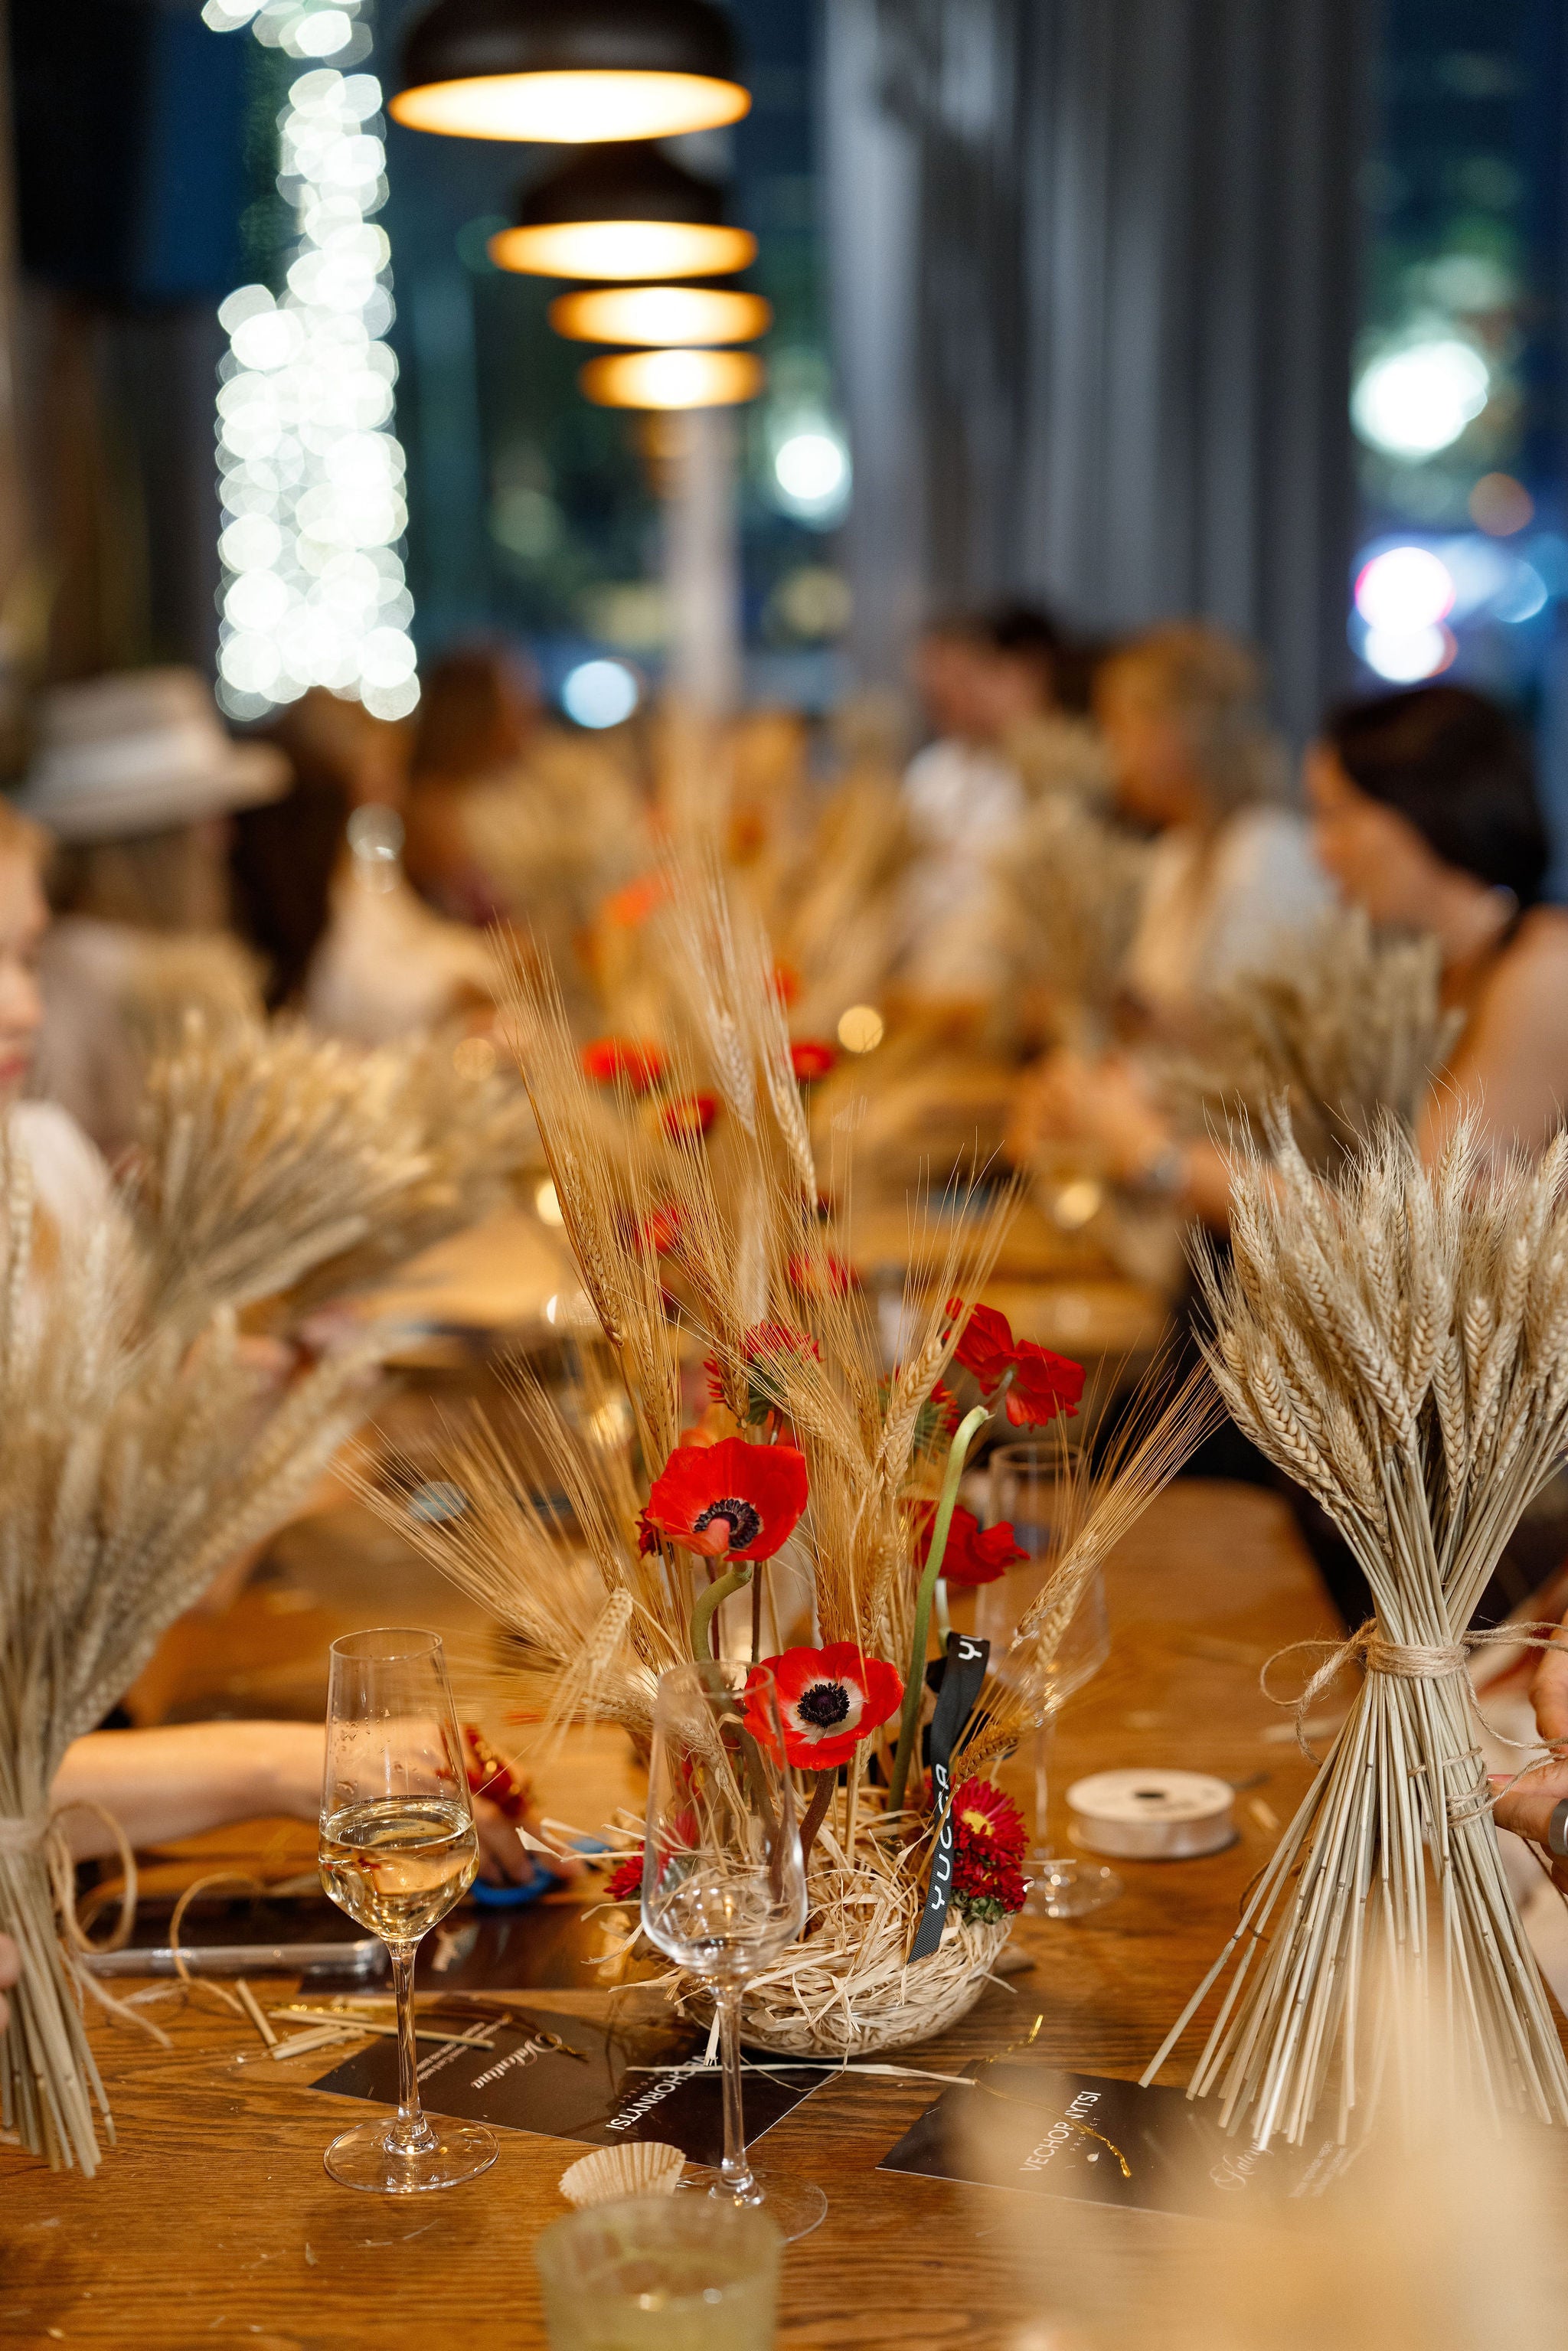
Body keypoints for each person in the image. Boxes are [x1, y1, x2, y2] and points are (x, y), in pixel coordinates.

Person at [1010, 680, 1564, 1220]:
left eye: (1339, 815)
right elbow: (1275, 1096)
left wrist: (1155, 1156)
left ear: (1430, 808)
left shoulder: (1542, 970)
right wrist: (1132, 1093)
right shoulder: (1409, 965)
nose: (1321, 851)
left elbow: (1406, 1227)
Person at [21, 669, 283, 1156]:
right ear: (153, 844)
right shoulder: (69, 983)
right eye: (205, 818)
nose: (224, 838)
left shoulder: (117, 964)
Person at [230, 687, 499, 1046]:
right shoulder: (306, 865)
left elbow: (411, 933)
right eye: (382, 764)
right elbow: (344, 989)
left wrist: (485, 961)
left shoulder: (354, 850)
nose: (394, 783)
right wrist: (459, 980)